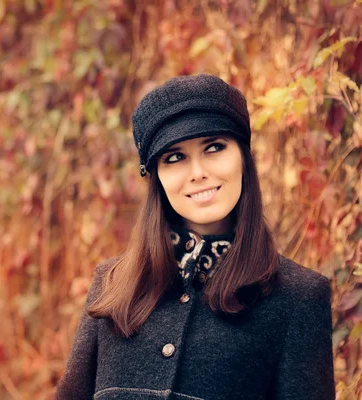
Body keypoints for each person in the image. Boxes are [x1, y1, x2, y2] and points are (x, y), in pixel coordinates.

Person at [54, 74, 335, 400]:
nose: (197, 172)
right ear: (156, 175)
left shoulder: (298, 298)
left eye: (214, 147)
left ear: (243, 157)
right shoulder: (112, 285)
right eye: (175, 157)